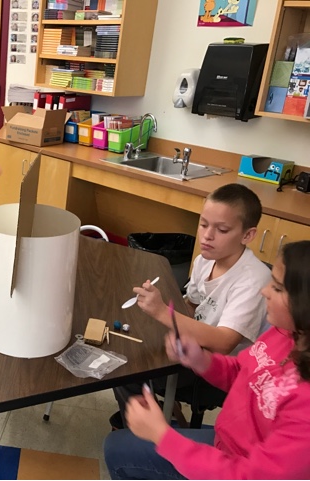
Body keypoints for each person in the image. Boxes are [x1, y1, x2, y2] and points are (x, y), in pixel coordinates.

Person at [104, 240, 310, 480]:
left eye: (278, 288)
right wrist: (201, 360)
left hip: (235, 467)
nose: (265, 291)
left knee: (118, 451)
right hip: (227, 442)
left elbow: (247, 476)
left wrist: (162, 436)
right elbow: (242, 371)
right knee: (117, 446)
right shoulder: (286, 333)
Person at [110, 183, 272, 429]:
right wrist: (160, 315)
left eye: (222, 229)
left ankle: (143, 433)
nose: (207, 236)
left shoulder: (253, 280)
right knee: (128, 349)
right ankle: (141, 420)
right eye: (203, 224)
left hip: (223, 371)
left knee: (127, 371)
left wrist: (163, 312)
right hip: (193, 348)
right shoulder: (205, 260)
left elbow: (224, 342)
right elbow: (191, 305)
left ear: (247, 235)